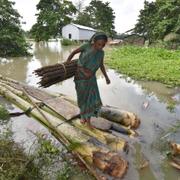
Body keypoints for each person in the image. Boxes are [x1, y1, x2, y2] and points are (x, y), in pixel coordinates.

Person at [66, 32, 110, 128]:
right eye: (99, 44)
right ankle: (82, 116)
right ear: (94, 42)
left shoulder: (101, 53)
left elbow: (101, 65)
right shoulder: (86, 46)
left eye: (103, 45)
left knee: (91, 100)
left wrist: (106, 77)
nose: (101, 47)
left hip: (91, 79)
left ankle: (89, 121)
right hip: (80, 78)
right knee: (82, 99)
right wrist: (67, 64)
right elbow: (74, 52)